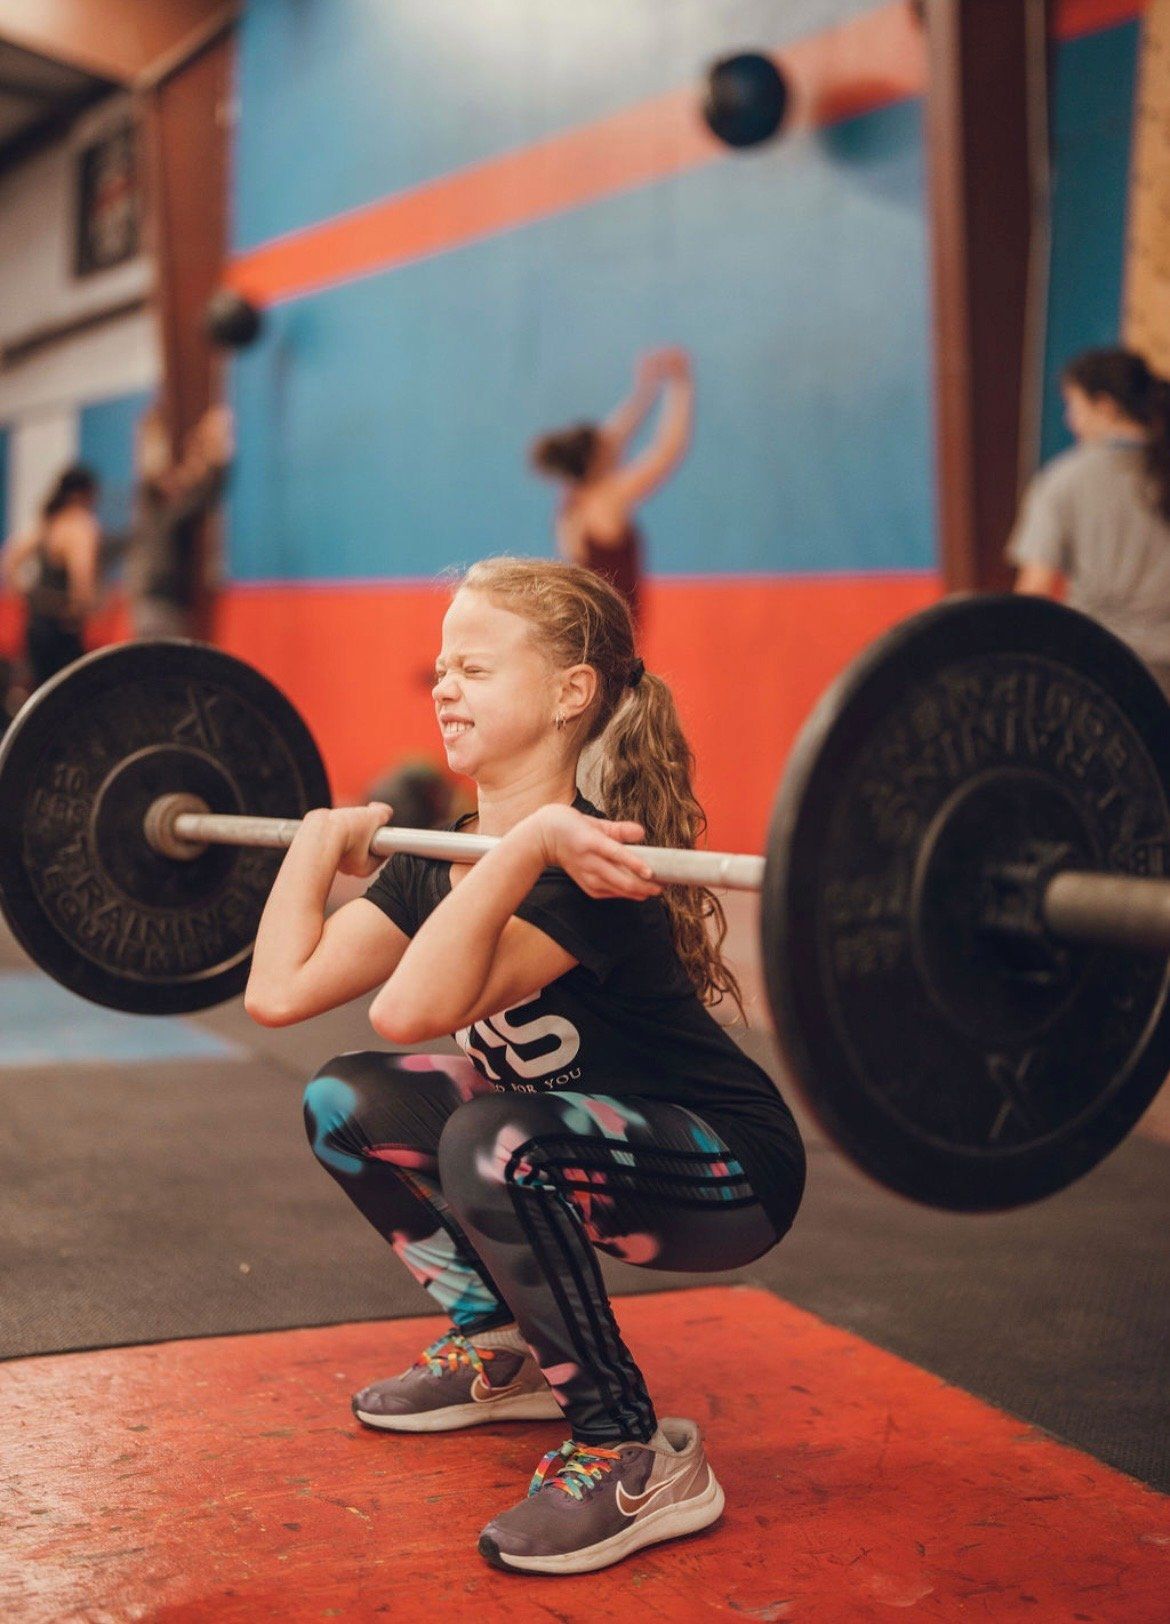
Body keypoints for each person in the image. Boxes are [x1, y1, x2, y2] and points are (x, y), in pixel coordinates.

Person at [245, 557, 805, 1576]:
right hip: (561, 1147)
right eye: (440, 668)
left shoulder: (592, 868)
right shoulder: (439, 856)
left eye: (475, 667)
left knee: (491, 1139)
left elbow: (412, 1003)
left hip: (729, 1171)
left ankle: (629, 1448)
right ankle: (499, 1347)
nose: (445, 687)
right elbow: (279, 992)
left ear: (569, 693)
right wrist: (315, 844)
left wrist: (543, 835)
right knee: (345, 1098)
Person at [1008, 346, 1170, 700]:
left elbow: (1033, 594)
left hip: (1105, 675)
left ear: (1105, 407)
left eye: (1074, 406)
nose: (1070, 420)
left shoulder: (1063, 481)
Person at [529, 347, 694, 629]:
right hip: (606, 630)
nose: (616, 445)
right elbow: (668, 449)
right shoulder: (606, 500)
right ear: (594, 461)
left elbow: (615, 435)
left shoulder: (574, 497)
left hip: (586, 622)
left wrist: (647, 386)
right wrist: (681, 383)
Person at [127, 402, 233, 638]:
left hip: (152, 603)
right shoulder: (165, 515)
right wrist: (217, 451)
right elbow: (205, 491)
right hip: (161, 606)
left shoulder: (155, 513)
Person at [1, 464, 100, 690]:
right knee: (70, 697)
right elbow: (82, 577)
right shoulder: (81, 525)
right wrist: (81, 607)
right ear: (85, 493)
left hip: (37, 624)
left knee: (41, 694)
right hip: (64, 627)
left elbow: (10, 558)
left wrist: (26, 593)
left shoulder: (50, 524)